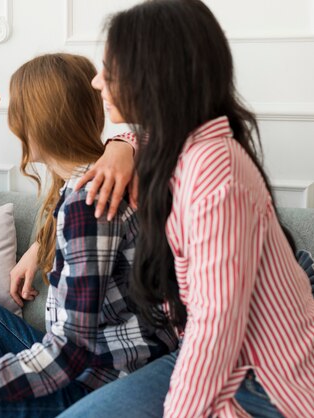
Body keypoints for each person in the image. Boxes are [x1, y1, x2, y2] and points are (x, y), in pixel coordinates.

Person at [0, 53, 178, 418]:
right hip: (94, 357)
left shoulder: (88, 202)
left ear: (32, 124)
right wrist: (41, 244)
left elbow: (70, 354)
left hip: (101, 377)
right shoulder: (101, 175)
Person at [60, 1, 314, 417]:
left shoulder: (216, 171)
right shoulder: (181, 147)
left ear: (154, 74)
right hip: (214, 356)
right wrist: (122, 143)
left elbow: (217, 326)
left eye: (108, 69)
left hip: (263, 376)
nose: (95, 82)